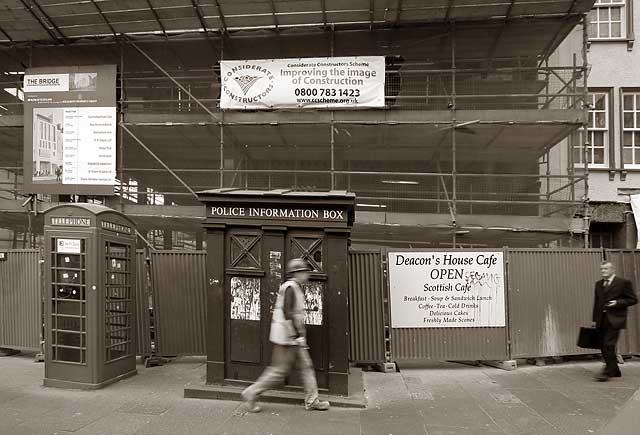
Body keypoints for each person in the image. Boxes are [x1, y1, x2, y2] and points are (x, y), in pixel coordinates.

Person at [241, 258, 330, 412]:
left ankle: (312, 400)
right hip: (288, 338)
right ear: (297, 273)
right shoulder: (291, 287)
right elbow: (287, 312)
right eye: (305, 272)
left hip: (291, 338)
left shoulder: (293, 287)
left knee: (306, 367)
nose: (307, 275)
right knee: (278, 372)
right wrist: (295, 336)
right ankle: (251, 393)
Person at [591, 261, 638, 381]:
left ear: (612, 270)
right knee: (603, 346)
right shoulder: (598, 284)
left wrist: (618, 303)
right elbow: (597, 303)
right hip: (602, 319)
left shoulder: (623, 283)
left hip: (616, 319)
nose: (603, 271)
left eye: (605, 269)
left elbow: (633, 299)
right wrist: (594, 320)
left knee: (608, 345)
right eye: (601, 269)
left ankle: (607, 371)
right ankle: (615, 370)